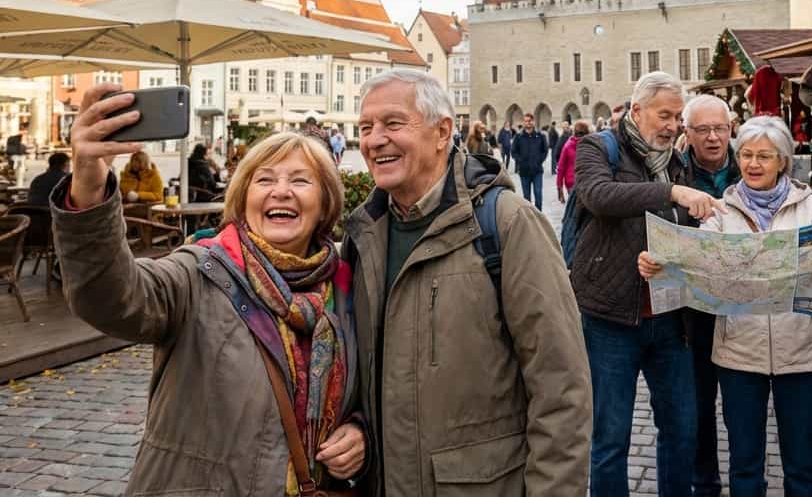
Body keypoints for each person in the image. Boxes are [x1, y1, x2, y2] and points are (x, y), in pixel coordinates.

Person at [51, 83, 368, 494]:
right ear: (243, 199)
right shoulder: (197, 273)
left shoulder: (346, 285)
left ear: (325, 203)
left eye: (300, 180)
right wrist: (89, 188)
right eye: (264, 179)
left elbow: (372, 389)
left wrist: (359, 431)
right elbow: (110, 297)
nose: (281, 191)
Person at [349, 69, 591, 493]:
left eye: (392, 123)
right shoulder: (362, 236)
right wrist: (354, 425)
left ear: (442, 132)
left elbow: (561, 386)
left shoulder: (507, 224)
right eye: (365, 127)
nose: (374, 140)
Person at [640, 116, 812, 497]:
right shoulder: (721, 211)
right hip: (739, 355)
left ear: (782, 161)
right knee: (745, 465)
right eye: (747, 155)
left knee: (802, 466)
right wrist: (661, 265)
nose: (753, 164)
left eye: (764, 156)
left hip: (801, 353)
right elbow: (695, 264)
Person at [571, 72, 723, 497]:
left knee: (681, 429)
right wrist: (671, 192)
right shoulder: (597, 147)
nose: (673, 126)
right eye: (664, 115)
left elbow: (687, 225)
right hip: (610, 317)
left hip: (670, 317)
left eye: (677, 117)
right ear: (637, 111)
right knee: (611, 439)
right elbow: (599, 195)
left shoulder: (677, 160)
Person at [680, 94, 744, 496]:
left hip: (743, 310)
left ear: (731, 128)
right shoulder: (672, 172)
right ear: (687, 133)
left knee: (743, 409)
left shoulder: (750, 165)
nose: (713, 137)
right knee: (699, 406)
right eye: (702, 130)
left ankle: (746, 481)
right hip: (693, 310)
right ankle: (705, 483)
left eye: (719, 128)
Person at [511, 113, 549, 209]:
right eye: (526, 121)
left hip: (537, 171)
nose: (527, 123)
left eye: (529, 121)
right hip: (524, 172)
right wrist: (520, 161)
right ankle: (529, 216)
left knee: (538, 194)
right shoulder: (518, 137)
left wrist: (539, 161)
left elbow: (545, 150)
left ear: (533, 122)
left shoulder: (540, 136)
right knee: (526, 198)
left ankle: (538, 214)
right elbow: (513, 152)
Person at [555, 120, 590, 203]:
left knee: (576, 206)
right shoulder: (590, 145)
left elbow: (561, 168)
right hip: (587, 181)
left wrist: (559, 188)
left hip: (572, 182)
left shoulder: (568, 145)